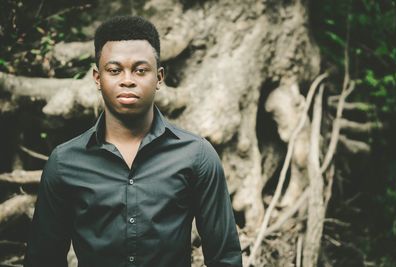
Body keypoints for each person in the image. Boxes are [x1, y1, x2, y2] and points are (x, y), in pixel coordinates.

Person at [24, 16, 242, 267]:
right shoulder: (64, 163)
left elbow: (225, 257)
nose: (128, 80)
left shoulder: (196, 155)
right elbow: (43, 259)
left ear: (159, 78)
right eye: (115, 70)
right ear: (97, 78)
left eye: (140, 70)